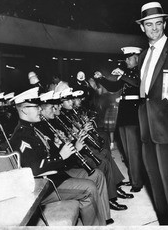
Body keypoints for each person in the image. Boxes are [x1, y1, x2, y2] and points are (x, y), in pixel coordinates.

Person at [9, 87, 106, 226]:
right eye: (36, 107)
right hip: (45, 185)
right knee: (89, 188)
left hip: (56, 175)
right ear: (24, 110)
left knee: (97, 175)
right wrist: (60, 156)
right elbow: (34, 169)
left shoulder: (33, 128)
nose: (40, 110)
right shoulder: (21, 137)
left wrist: (60, 146)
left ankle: (103, 220)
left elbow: (48, 153)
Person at [36, 90, 113, 225]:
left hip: (63, 167)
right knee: (93, 179)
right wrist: (69, 148)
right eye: (53, 107)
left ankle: (104, 217)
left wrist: (69, 141)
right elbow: (45, 161)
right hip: (57, 174)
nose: (56, 109)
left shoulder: (50, 123)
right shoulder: (37, 129)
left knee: (98, 174)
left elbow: (56, 151)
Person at [136, 1, 168, 225]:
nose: (154, 28)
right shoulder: (143, 55)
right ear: (142, 28)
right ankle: (164, 222)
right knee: (154, 181)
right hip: (146, 129)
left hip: (167, 129)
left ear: (164, 24)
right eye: (149, 24)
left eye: (158, 23)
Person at [58, 88, 133, 211]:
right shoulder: (61, 117)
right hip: (72, 156)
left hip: (77, 148)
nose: (72, 102)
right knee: (102, 161)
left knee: (104, 152)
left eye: (72, 99)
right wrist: (77, 135)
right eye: (68, 100)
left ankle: (115, 186)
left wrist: (82, 130)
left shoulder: (67, 114)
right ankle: (110, 198)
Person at [94, 46, 144, 193]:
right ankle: (134, 178)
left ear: (137, 58)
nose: (126, 61)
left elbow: (137, 84)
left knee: (134, 151)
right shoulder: (126, 73)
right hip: (124, 114)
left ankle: (137, 182)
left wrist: (122, 74)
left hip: (134, 115)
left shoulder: (140, 72)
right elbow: (114, 86)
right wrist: (101, 78)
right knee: (127, 150)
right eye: (126, 58)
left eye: (129, 58)